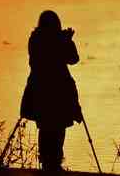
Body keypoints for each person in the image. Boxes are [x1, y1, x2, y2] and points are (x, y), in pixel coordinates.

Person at [20, 10, 83, 171]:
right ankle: (53, 163)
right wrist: (66, 41)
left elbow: (72, 59)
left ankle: (48, 163)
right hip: (57, 92)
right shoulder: (53, 40)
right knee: (57, 128)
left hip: (40, 91)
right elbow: (72, 59)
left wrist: (64, 41)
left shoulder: (35, 39)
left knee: (46, 127)